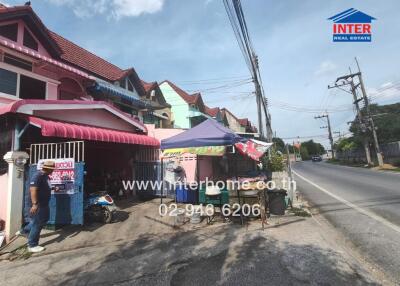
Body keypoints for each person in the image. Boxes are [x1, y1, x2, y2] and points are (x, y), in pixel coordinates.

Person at [16, 160, 56, 253]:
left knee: (38, 220)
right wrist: (34, 204)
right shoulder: (38, 176)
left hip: (43, 203)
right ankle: (32, 245)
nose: (53, 171)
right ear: (47, 168)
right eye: (52, 169)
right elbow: (33, 190)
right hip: (38, 204)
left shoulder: (45, 177)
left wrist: (54, 188)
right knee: (38, 223)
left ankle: (24, 231)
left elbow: (46, 187)